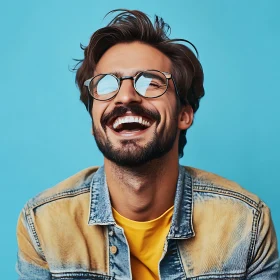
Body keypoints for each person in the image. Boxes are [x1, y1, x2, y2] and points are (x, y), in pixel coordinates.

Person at [16, 9, 279, 280]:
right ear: (93, 116)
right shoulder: (43, 224)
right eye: (107, 85)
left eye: (151, 83)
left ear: (183, 115)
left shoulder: (246, 223)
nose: (125, 96)